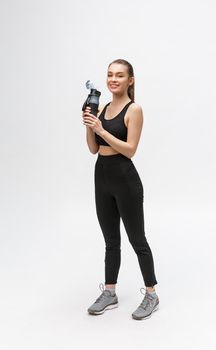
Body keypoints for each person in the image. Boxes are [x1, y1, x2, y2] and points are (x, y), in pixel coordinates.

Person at [82, 58, 159, 320]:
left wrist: (102, 129)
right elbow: (93, 149)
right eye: (110, 75)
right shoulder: (101, 107)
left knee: (138, 240)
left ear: (130, 80)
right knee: (110, 241)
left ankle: (151, 294)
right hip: (102, 176)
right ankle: (110, 292)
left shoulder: (133, 109)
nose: (113, 79)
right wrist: (89, 125)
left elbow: (130, 150)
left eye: (119, 75)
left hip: (125, 179)